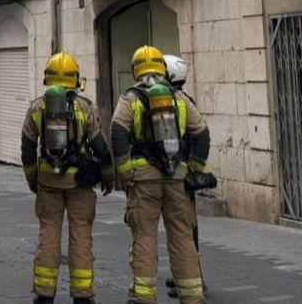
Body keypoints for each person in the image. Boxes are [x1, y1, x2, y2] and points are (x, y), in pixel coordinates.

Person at [111, 46, 214, 304]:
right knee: (182, 237)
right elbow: (202, 134)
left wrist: (124, 171)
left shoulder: (130, 99)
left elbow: (118, 134)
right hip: (178, 179)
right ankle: (192, 295)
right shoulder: (179, 99)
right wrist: (194, 169)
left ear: (136, 69)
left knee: (144, 236)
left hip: (143, 181)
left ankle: (143, 297)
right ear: (162, 69)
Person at [21, 52, 113, 304]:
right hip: (79, 183)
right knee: (81, 235)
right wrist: (108, 177)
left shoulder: (37, 107)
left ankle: (44, 294)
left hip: (48, 182)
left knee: (48, 235)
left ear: (47, 78)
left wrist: (32, 179)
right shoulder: (85, 106)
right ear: (75, 78)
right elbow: (100, 147)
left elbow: (28, 149)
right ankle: (82, 296)